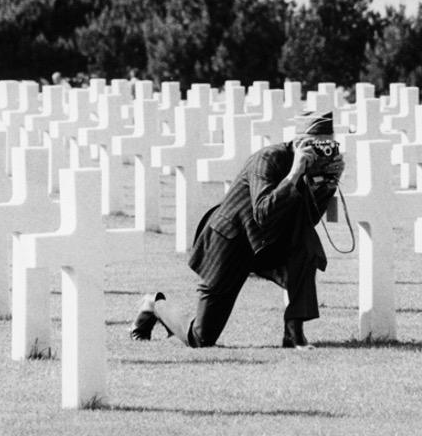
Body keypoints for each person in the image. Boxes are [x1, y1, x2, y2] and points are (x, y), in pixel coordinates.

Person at [130, 110, 346, 350]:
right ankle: (154, 305)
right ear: (299, 142)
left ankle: (294, 334)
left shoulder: (318, 169)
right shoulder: (269, 159)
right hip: (231, 243)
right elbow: (263, 212)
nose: (323, 152)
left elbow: (307, 220)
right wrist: (295, 173)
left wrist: (327, 185)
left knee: (305, 249)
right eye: (317, 146)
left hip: (267, 244)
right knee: (201, 339)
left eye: (330, 145)